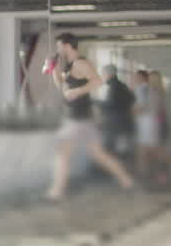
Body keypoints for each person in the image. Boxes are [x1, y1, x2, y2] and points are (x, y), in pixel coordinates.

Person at [46, 33, 134, 200]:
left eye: (59, 45)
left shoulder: (81, 63)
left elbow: (98, 81)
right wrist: (54, 70)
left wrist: (78, 91)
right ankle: (127, 180)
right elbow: (63, 89)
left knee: (62, 154)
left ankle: (56, 193)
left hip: (77, 119)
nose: (57, 49)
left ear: (67, 46)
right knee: (97, 154)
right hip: (80, 118)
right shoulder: (69, 66)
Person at [98, 64, 136, 160]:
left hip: (114, 123)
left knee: (110, 150)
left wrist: (94, 102)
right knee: (121, 150)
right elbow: (132, 99)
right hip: (124, 121)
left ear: (109, 74)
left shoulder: (113, 86)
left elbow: (110, 104)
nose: (102, 76)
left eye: (103, 74)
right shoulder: (122, 85)